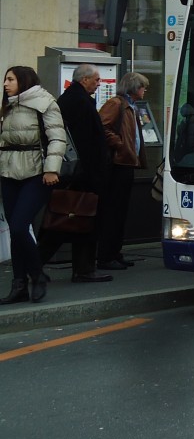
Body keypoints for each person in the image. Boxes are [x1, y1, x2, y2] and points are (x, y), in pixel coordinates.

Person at [39, 64, 112, 283]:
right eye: (96, 80)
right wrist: (95, 172)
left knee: (74, 223)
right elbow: (85, 142)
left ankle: (82, 269)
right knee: (69, 222)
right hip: (83, 175)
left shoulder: (71, 99)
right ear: (85, 79)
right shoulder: (78, 102)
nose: (99, 84)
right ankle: (36, 267)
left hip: (78, 173)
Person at [0, 65, 67, 304]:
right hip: (7, 172)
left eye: (10, 79)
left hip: (36, 174)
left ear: (24, 80)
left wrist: (51, 169)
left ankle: (37, 275)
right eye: (5, 80)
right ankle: (19, 285)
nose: (5, 84)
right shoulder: (7, 105)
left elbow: (58, 137)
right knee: (16, 234)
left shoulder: (44, 102)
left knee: (19, 227)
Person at [97, 72, 149, 270]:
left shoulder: (131, 107)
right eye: (143, 86)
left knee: (120, 212)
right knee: (113, 212)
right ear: (134, 88)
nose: (145, 90)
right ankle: (105, 255)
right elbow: (102, 127)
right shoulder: (117, 104)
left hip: (127, 163)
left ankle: (115, 252)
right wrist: (121, 145)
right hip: (118, 164)